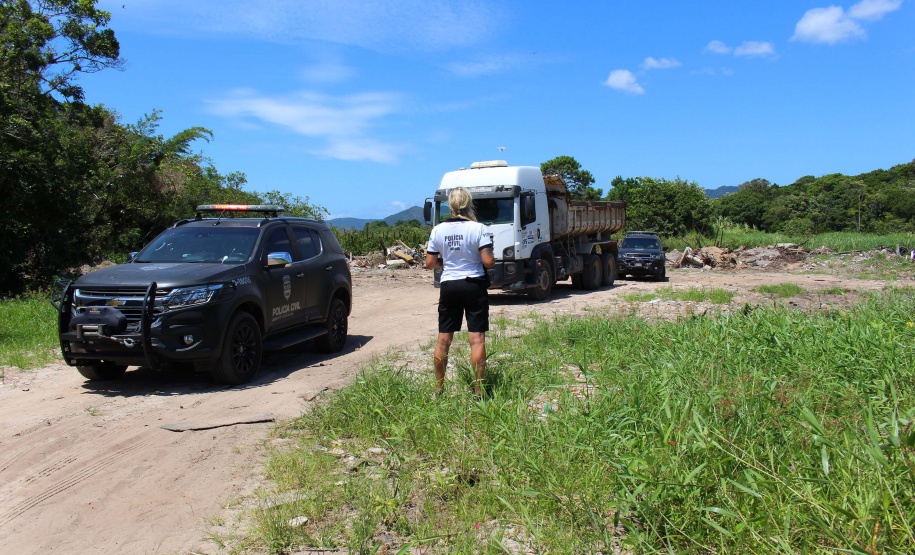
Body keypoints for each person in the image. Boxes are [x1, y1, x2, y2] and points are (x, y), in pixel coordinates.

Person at [425, 187, 496, 396]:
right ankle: (478, 391)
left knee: (443, 340)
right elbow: (488, 262)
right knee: (476, 339)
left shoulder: (438, 230)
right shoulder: (479, 228)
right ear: (468, 203)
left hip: (449, 286)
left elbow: (430, 263)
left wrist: (446, 261)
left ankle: (439, 389)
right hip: (474, 285)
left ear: (450, 205)